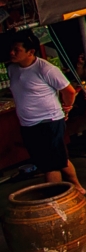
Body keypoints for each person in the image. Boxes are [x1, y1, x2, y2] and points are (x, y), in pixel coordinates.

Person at [6, 34, 78, 187]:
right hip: (28, 123)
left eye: (17, 50)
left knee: (51, 164)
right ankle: (76, 186)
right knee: (56, 159)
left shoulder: (45, 69)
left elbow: (69, 91)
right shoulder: (12, 69)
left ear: (30, 52)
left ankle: (54, 196)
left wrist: (67, 107)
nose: (12, 53)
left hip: (49, 120)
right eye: (11, 49)